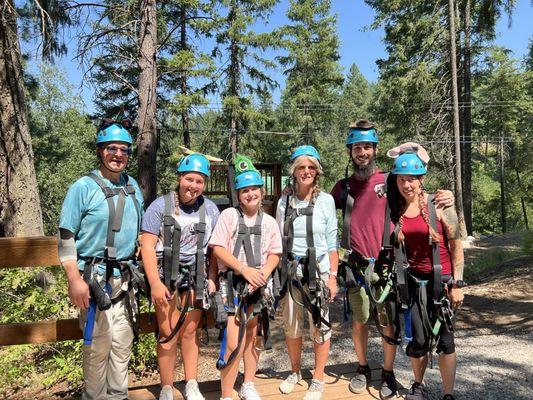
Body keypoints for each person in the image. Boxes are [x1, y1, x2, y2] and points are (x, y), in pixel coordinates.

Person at [330, 120, 454, 399]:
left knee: (388, 323)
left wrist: (445, 195)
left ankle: (387, 373)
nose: (362, 152)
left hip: (387, 265)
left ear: (375, 149)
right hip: (357, 266)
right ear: (350, 151)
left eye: (367, 147)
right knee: (360, 321)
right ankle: (362, 368)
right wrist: (293, 192)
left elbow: (416, 184)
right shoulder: (343, 187)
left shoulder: (390, 180)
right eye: (357, 148)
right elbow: (322, 210)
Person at [58, 119, 144, 400]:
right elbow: (66, 237)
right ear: (100, 150)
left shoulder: (133, 188)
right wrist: (74, 280)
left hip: (125, 282)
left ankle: (118, 397)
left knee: (121, 348)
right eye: (111, 149)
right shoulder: (82, 188)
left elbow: (138, 231)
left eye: (124, 150)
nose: (118, 155)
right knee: (96, 351)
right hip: (93, 283)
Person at [140, 153, 220, 400]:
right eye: (189, 179)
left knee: (190, 331)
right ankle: (166, 386)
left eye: (199, 181)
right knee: (168, 333)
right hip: (166, 277)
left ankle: (192, 382)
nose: (193, 186)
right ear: (179, 178)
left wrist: (213, 278)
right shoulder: (159, 207)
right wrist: (154, 283)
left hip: (196, 276)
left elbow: (215, 249)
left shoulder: (210, 209)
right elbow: (147, 245)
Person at [387, 148, 464, 400]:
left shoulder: (439, 204)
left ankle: (448, 393)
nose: (406, 184)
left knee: (445, 341)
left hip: (441, 282)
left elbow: (456, 245)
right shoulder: (396, 206)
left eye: (411, 179)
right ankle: (418, 385)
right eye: (401, 179)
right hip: (415, 283)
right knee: (418, 340)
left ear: (421, 179)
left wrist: (458, 284)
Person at [209, 157, 282, 400]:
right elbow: (218, 248)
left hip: (259, 285)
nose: (250, 194)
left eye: (254, 189)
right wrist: (243, 269)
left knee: (253, 336)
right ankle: (226, 394)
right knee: (233, 341)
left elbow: (275, 253)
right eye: (245, 190)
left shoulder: (269, 222)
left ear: (262, 192)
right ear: (238, 194)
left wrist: (263, 274)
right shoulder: (229, 216)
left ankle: (248, 383)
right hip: (232, 285)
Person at [277, 145, 339, 400]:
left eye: (311, 167)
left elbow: (333, 241)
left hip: (319, 272)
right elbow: (279, 237)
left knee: (320, 326)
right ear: (294, 171)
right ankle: (295, 372)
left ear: (317, 171)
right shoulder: (285, 200)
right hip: (292, 270)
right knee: (292, 327)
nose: (306, 171)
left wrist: (333, 276)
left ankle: (319, 376)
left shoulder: (326, 200)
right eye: (301, 167)